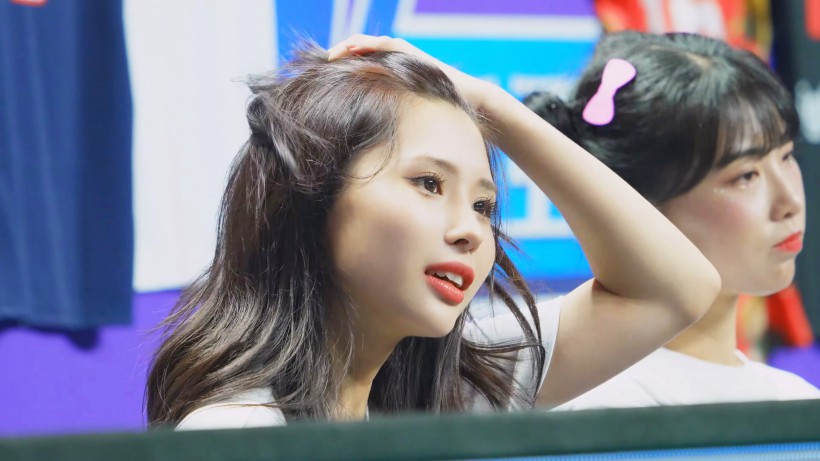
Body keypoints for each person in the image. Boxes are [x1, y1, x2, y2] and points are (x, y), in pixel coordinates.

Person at [145, 36, 720, 430]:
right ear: (312, 193)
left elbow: (677, 289)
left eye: (484, 206)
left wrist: (488, 103)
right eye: (428, 183)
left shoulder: (450, 395)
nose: (470, 232)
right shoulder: (239, 431)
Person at [524, 31, 820, 410]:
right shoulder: (594, 408)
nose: (790, 202)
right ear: (637, 201)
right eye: (746, 176)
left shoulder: (796, 399)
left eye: (786, 156)